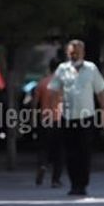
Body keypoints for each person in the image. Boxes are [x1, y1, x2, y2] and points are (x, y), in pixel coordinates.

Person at [48, 40, 104, 196]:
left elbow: (100, 92)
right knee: (70, 152)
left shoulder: (91, 68)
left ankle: (82, 183)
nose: (74, 55)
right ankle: (74, 184)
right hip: (67, 116)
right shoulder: (62, 69)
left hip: (86, 116)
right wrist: (54, 112)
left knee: (84, 151)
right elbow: (54, 91)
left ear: (83, 53)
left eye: (77, 52)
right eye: (71, 52)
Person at [33, 59, 64, 188]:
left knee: (43, 147)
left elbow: (35, 103)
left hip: (44, 120)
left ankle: (42, 164)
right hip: (59, 120)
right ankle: (55, 180)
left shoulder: (42, 82)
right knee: (59, 151)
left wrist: (33, 119)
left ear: (50, 68)